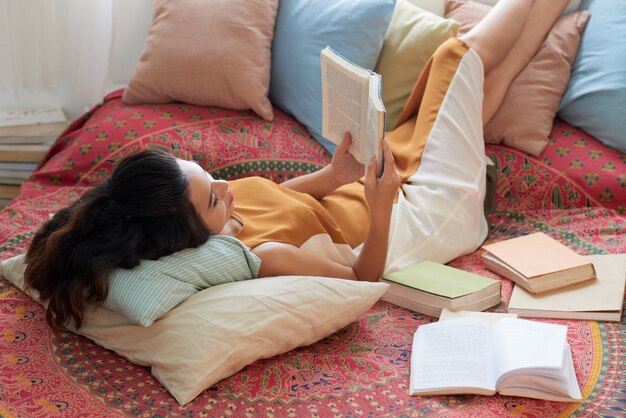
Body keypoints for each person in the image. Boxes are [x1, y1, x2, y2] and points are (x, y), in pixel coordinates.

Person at [25, 0, 572, 328]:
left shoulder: (209, 213)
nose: (224, 184)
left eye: (204, 172)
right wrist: (380, 208)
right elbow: (363, 279)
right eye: (214, 195)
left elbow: (282, 199)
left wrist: (334, 176)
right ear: (191, 234)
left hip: (371, 190)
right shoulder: (267, 256)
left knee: (466, 96)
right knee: (456, 58)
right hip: (415, 215)